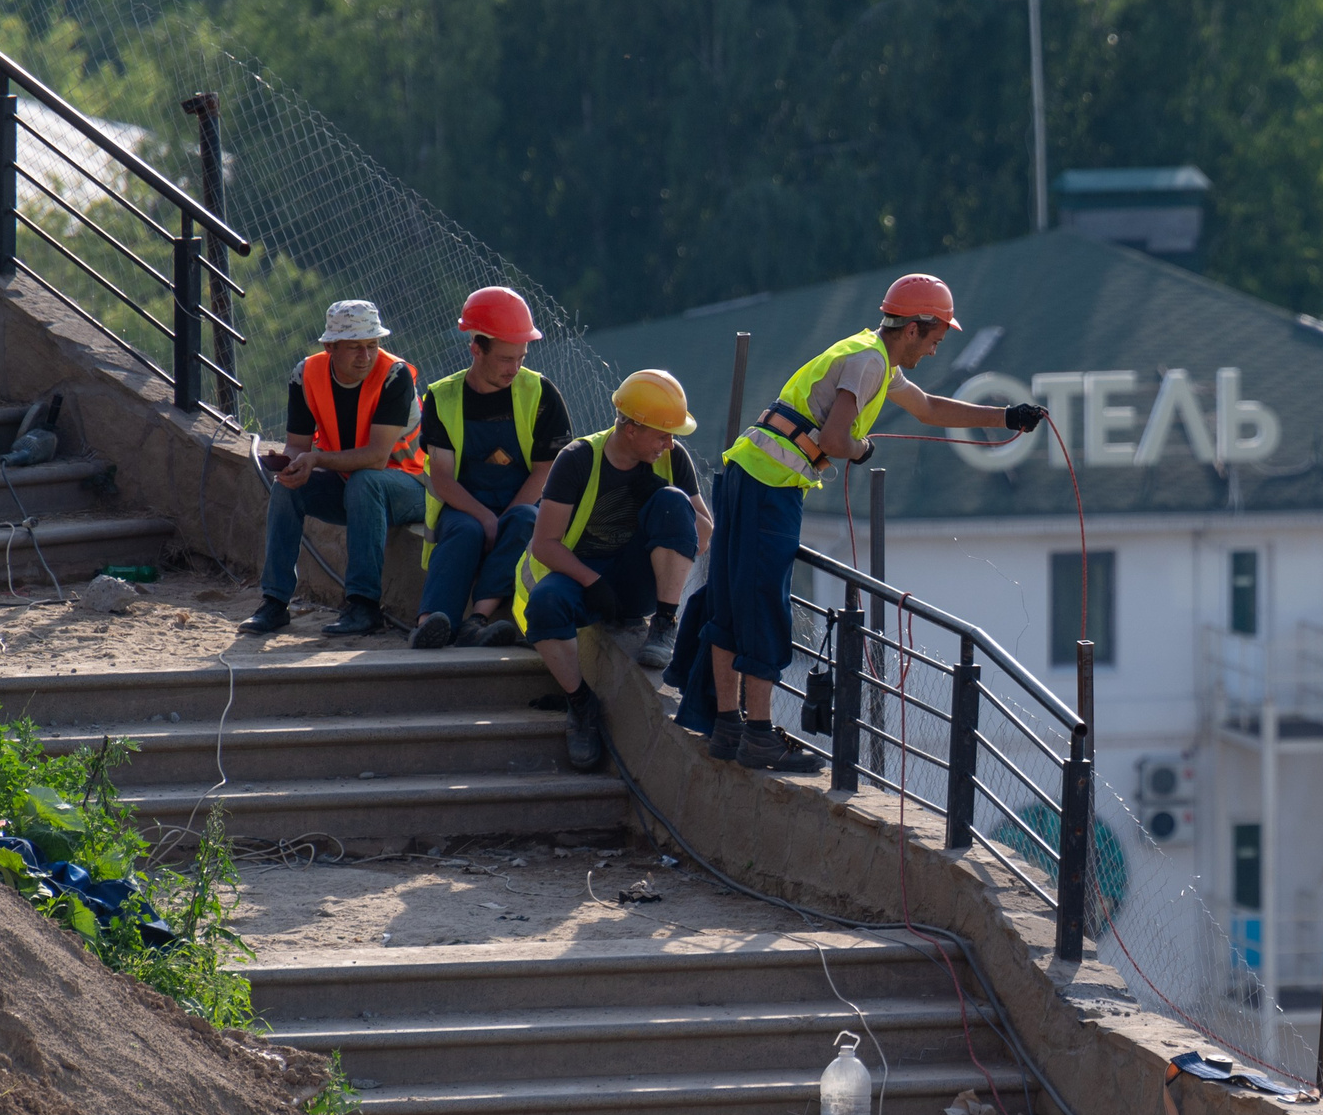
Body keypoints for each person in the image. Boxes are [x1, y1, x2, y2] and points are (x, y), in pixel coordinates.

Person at [681, 273, 1043, 771]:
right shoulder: (871, 362)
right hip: (773, 486)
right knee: (764, 604)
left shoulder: (869, 353)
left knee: (729, 599)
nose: (936, 351)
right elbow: (834, 439)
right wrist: (861, 448)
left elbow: (929, 408)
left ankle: (727, 727)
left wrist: (1005, 417)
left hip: (745, 471)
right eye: (936, 338)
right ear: (914, 327)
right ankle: (759, 736)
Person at [514, 370, 712, 772]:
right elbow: (545, 543)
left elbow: (703, 534)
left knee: (675, 502)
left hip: (635, 579)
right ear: (631, 428)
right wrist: (592, 580)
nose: (669, 444)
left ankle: (665, 623)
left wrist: (659, 494)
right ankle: (581, 705)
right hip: (583, 576)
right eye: (661, 434)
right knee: (545, 606)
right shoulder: (578, 459)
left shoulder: (671, 459)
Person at [239, 299, 427, 637]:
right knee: (287, 487)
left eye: (372, 345)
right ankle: (274, 602)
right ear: (330, 347)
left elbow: (376, 458)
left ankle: (364, 606)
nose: (365, 356)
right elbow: (298, 443)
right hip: (354, 483)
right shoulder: (304, 374)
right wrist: (292, 463)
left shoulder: (395, 374)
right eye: (355, 347)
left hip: (414, 485)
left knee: (365, 481)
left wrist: (316, 460)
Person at [410, 287, 573, 648]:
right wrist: (484, 517)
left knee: (525, 523)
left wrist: (504, 519)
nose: (514, 369)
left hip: (522, 501)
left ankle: (477, 621)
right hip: (465, 503)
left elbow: (546, 470)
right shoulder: (442, 397)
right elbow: (442, 478)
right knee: (464, 531)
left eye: (521, 357)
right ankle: (429, 624)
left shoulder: (541, 393)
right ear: (476, 349)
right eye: (504, 359)